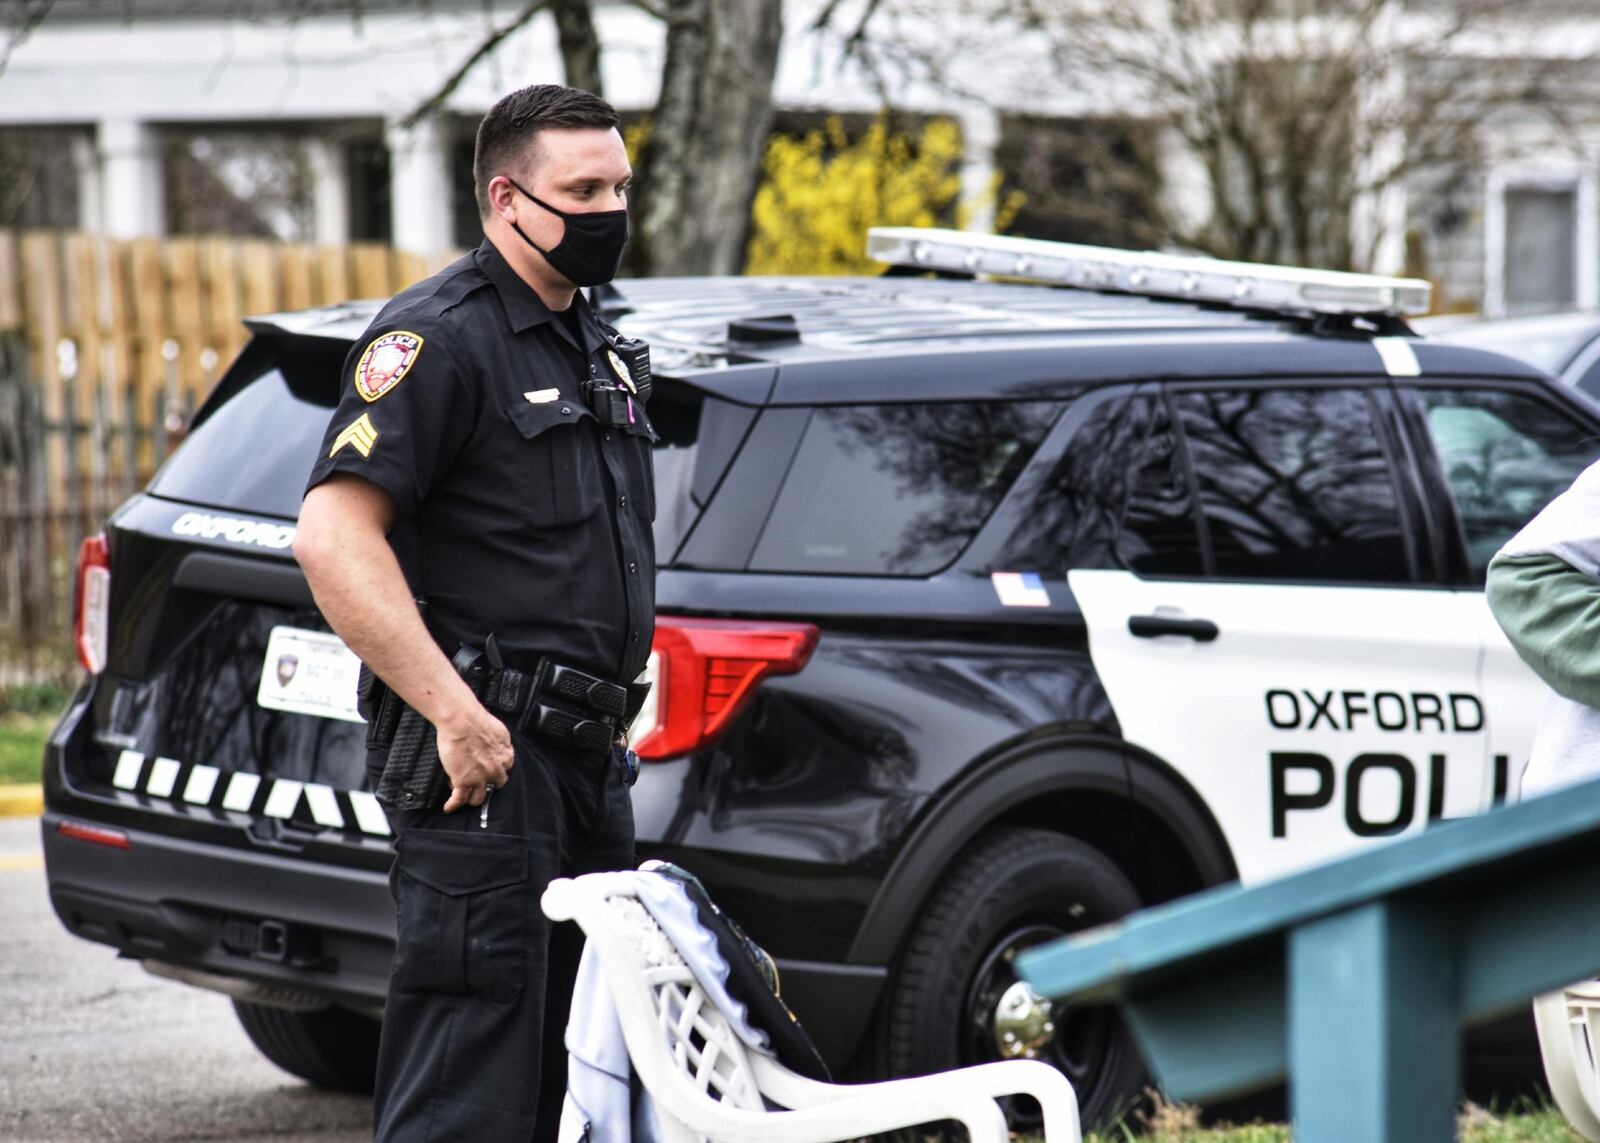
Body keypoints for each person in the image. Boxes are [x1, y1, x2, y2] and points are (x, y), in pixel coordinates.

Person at [293, 84, 656, 1142]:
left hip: (588, 765)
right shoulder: (437, 339)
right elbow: (333, 537)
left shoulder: (593, 340)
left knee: (574, 1091)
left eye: (620, 186)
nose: (610, 211)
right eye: (583, 190)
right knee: (469, 1097)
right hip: (487, 772)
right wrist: (454, 713)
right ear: (505, 198)